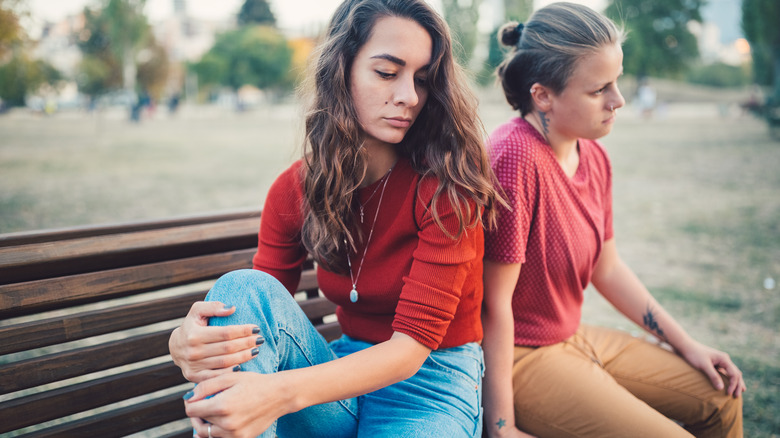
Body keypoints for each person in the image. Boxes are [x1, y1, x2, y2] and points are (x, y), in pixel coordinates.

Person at [168, 0, 502, 437]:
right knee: (240, 287)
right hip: (336, 381)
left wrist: (276, 395)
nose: (409, 96)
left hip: (430, 384)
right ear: (340, 71)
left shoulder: (447, 188)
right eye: (387, 73)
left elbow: (410, 351)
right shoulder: (295, 190)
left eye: (422, 79)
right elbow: (258, 312)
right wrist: (182, 343)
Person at [480, 3, 746, 438]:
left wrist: (688, 344)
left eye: (617, 82)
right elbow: (495, 304)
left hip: (573, 336)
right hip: (521, 356)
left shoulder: (594, 155)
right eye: (599, 89)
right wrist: (501, 425)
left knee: (719, 398)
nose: (618, 101)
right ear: (542, 95)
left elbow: (608, 268)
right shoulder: (515, 158)